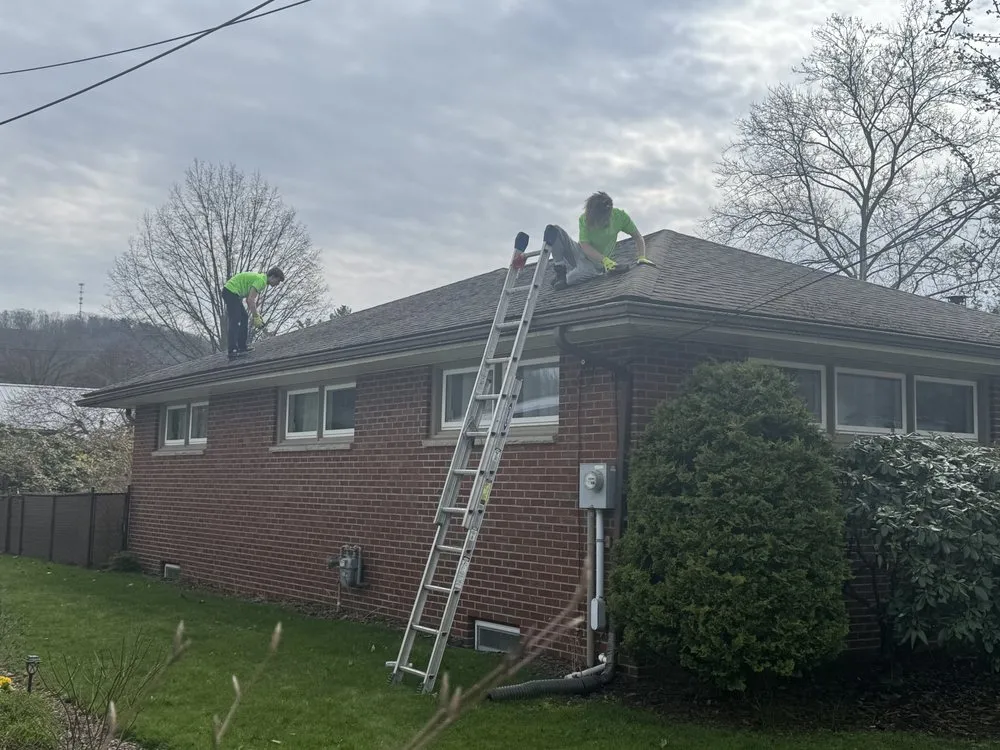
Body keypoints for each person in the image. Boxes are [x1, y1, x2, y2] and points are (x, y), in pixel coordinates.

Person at [513, 192, 648, 289]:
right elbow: (584, 245)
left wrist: (641, 257)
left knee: (570, 280)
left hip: (595, 266)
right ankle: (560, 270)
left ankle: (564, 278)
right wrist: (605, 260)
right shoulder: (584, 219)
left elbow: (637, 236)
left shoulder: (621, 217)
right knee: (555, 230)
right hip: (580, 253)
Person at [221, 267, 284, 357]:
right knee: (236, 320)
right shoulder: (261, 281)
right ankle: (232, 350)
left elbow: (248, 300)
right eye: (277, 281)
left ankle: (242, 347)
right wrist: (256, 317)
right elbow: (250, 300)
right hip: (230, 291)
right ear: (272, 277)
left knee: (244, 317)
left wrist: (256, 316)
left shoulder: (261, 279)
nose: (277, 284)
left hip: (232, 292)